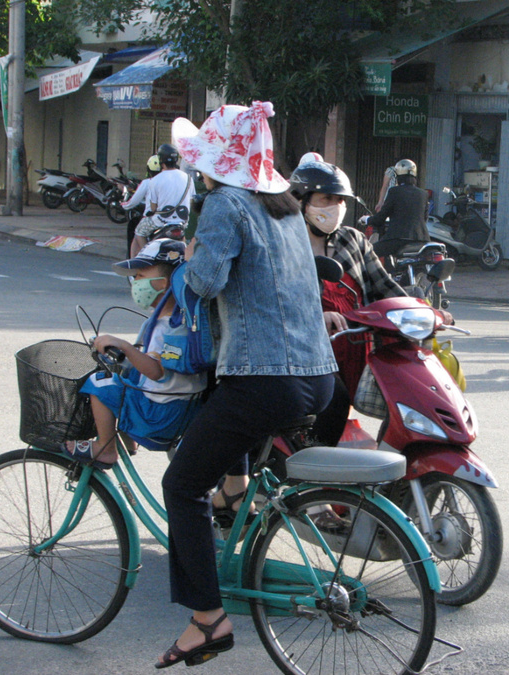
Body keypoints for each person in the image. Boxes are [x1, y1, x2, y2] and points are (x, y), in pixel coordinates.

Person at [158, 101, 337, 668]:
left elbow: (207, 282)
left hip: (268, 379)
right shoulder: (285, 207)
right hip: (318, 376)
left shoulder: (222, 204)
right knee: (222, 400)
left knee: (181, 485)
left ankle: (207, 621)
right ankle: (235, 491)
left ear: (213, 161)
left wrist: (186, 259)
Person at [289, 160, 408, 444]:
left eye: (340, 199)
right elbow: (281, 299)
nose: (335, 206)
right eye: (326, 199)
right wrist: (318, 316)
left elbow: (385, 286)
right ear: (302, 202)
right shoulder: (286, 243)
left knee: (402, 398)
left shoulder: (352, 240)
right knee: (334, 400)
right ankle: (314, 468)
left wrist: (422, 312)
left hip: (358, 349)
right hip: (309, 353)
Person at [63, 239, 206, 468]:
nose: (135, 282)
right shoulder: (184, 321)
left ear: (165, 282)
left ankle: (105, 448)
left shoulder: (168, 327)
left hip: (159, 414)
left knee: (99, 383)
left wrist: (125, 347)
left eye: (140, 275)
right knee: (128, 377)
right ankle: (128, 442)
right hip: (183, 408)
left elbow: (157, 371)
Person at [131, 144, 193, 256]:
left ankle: (147, 255)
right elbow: (192, 200)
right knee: (183, 239)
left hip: (160, 221)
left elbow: (153, 208)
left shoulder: (155, 180)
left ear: (160, 160)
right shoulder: (188, 178)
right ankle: (184, 260)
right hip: (182, 221)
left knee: (139, 232)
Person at [363, 159, 430, 260]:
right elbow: (424, 218)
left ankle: (381, 276)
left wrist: (367, 219)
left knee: (367, 254)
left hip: (398, 239)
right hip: (421, 240)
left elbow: (381, 217)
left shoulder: (394, 191)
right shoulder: (423, 194)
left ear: (398, 177)